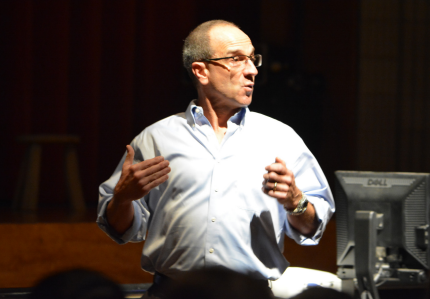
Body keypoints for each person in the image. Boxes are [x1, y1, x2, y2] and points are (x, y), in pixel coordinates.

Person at [97, 19, 335, 297]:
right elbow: (119, 229)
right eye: (237, 59)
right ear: (201, 71)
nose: (252, 70)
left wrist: (296, 202)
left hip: (251, 294)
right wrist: (123, 199)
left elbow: (312, 227)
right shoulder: (155, 139)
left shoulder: (280, 138)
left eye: (253, 59)